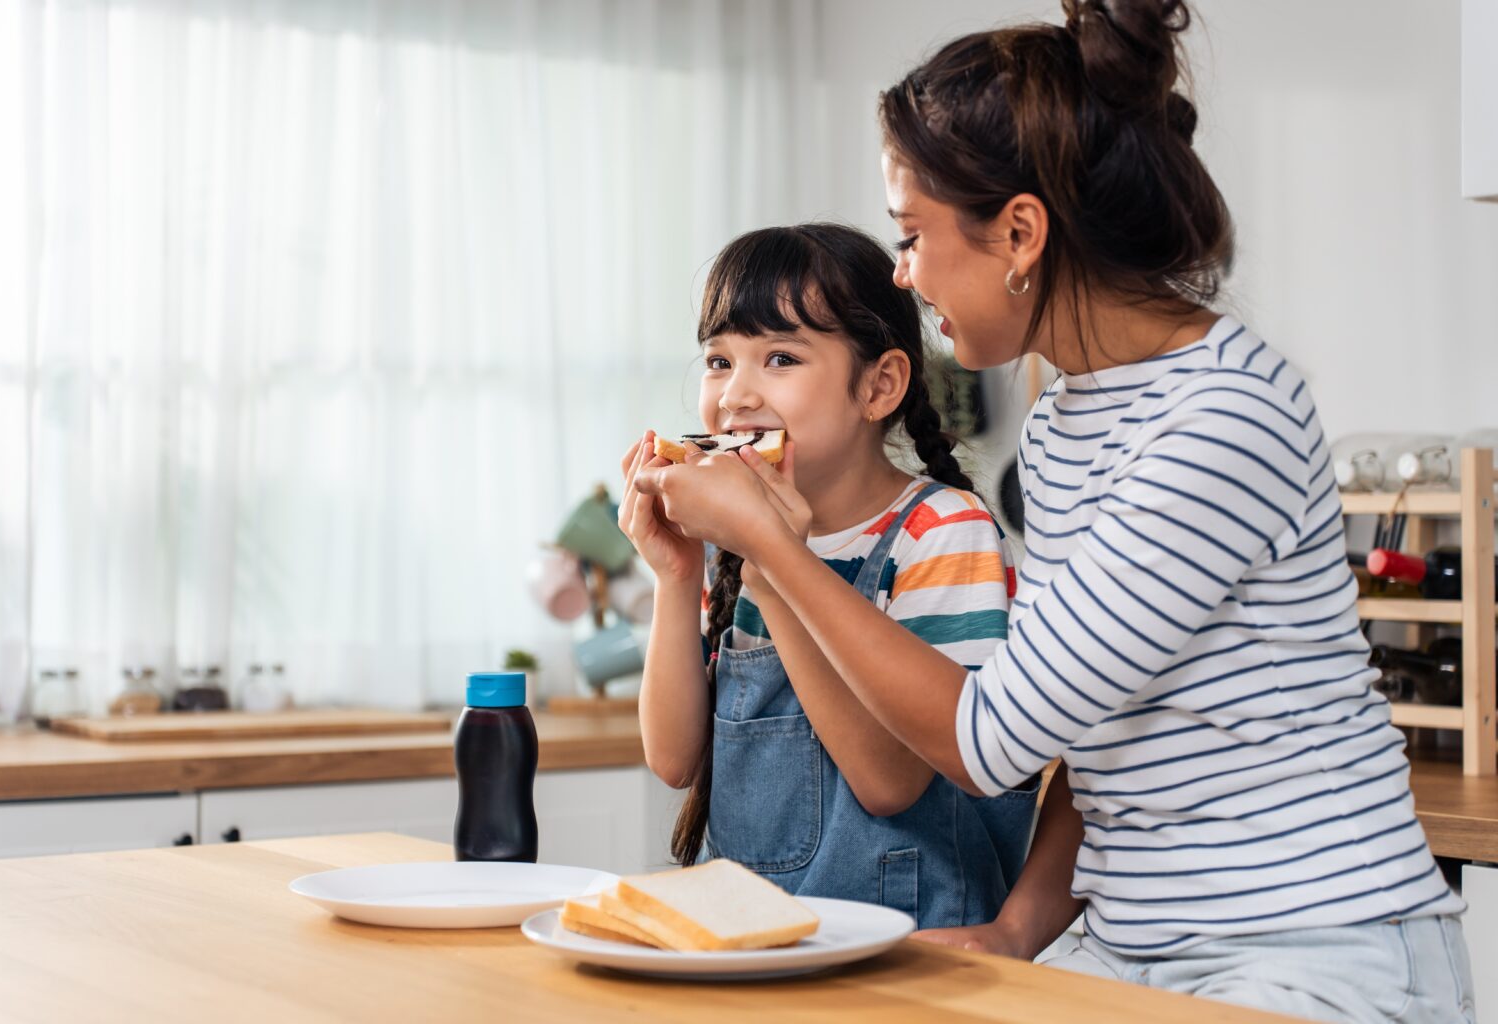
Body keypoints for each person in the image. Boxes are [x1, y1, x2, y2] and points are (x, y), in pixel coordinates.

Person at [629, 2, 1476, 1020]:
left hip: (1313, 941)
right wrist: (1017, 931)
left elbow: (993, 735)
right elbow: (1089, 721)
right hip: (1133, 945)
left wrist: (769, 542)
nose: (902, 272)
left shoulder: (1225, 416)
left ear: (1020, 233)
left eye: (911, 236)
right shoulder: (1068, 419)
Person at [618, 223, 1038, 929]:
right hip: (760, 944)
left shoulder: (942, 530)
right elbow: (672, 759)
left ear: (879, 386)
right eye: (719, 360)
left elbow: (889, 784)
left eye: (780, 357)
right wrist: (675, 572)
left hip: (910, 958)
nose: (736, 396)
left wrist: (773, 560)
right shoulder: (735, 539)